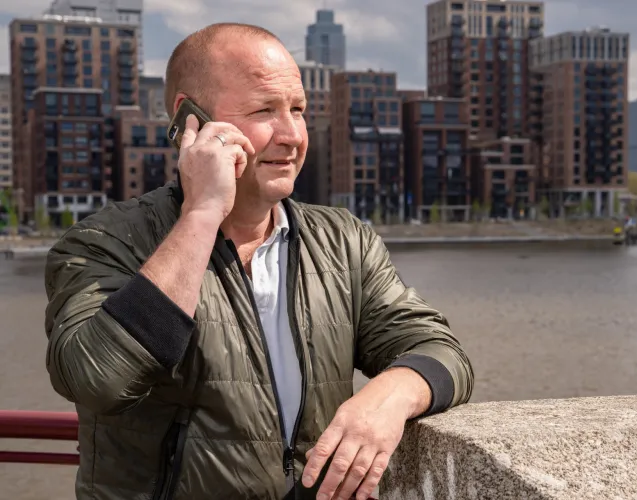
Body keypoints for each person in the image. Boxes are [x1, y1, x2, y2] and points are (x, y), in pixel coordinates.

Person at [43, 22, 473, 500]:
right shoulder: (103, 241)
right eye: (264, 110)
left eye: (299, 110)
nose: (291, 135)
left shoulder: (344, 242)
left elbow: (443, 352)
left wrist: (389, 396)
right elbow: (96, 379)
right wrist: (202, 215)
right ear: (190, 120)